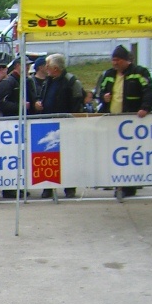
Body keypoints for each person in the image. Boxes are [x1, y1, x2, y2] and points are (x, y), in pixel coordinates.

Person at [98, 45, 152, 198]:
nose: (114, 63)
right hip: (113, 121)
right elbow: (101, 92)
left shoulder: (139, 73)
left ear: (125, 60)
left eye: (117, 60)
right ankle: (118, 183)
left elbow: (149, 92)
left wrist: (145, 108)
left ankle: (129, 185)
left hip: (131, 123)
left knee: (131, 154)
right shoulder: (109, 74)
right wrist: (104, 97)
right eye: (113, 60)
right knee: (116, 154)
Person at [37, 53, 85, 199]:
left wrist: (72, 119)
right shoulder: (48, 81)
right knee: (48, 156)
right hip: (48, 124)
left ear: (55, 68)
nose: (45, 68)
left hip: (67, 125)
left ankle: (69, 187)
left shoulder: (71, 81)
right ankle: (48, 186)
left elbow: (78, 102)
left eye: (48, 65)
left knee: (68, 157)